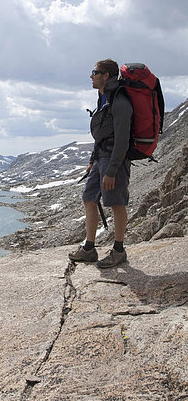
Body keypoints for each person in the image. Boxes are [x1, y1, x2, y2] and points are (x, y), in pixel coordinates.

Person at [69, 58, 133, 268]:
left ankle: (119, 250)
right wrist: (93, 160)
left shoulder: (119, 101)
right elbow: (102, 134)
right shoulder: (104, 98)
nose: (91, 76)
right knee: (89, 197)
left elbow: (122, 139)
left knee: (116, 203)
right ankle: (89, 248)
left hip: (115, 159)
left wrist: (112, 170)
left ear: (106, 76)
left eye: (95, 72)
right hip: (101, 158)